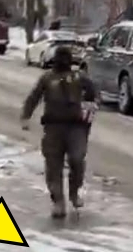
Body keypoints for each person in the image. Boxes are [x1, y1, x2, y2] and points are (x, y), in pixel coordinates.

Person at [20, 45, 98, 218]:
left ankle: (74, 193)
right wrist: (26, 116)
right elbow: (33, 97)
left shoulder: (79, 77)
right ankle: (58, 201)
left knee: (77, 160)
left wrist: (89, 108)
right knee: (53, 165)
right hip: (53, 127)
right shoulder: (47, 78)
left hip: (76, 127)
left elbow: (93, 94)